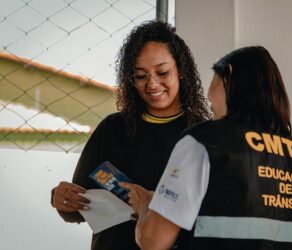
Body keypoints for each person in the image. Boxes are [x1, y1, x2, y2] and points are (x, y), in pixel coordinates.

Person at [124, 46, 292, 250]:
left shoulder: (205, 141)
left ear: (227, 76)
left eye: (213, 81)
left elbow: (152, 242)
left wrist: (146, 207)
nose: (210, 101)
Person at [50, 21, 209, 250]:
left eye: (162, 72)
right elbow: (77, 210)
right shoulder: (111, 129)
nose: (152, 84)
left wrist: (154, 207)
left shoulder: (204, 137)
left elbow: (213, 222)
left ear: (181, 71)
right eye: (141, 76)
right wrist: (61, 199)